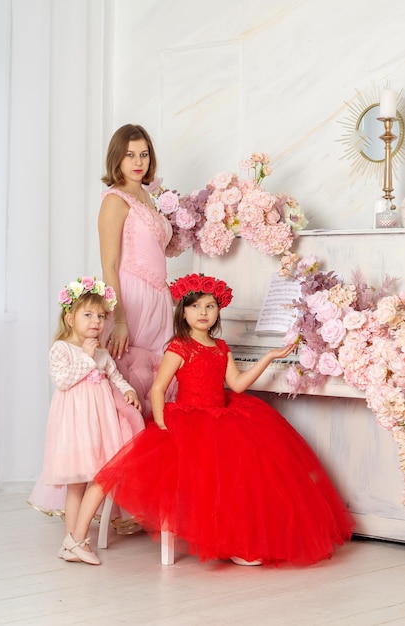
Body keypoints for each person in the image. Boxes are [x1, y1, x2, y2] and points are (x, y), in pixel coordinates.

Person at [62, 273, 355, 566]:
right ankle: (76, 538)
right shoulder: (179, 346)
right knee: (183, 474)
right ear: (183, 311)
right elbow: (159, 389)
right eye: (195, 307)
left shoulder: (221, 347)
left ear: (218, 311)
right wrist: (163, 423)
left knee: (245, 469)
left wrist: (269, 358)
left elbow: (237, 385)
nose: (203, 313)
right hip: (186, 418)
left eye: (210, 306)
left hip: (222, 415)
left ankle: (239, 542)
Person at [32, 277, 144, 565]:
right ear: (70, 318)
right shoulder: (62, 349)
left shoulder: (103, 352)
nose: (97, 321)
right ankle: (74, 540)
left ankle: (73, 541)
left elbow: (115, 376)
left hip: (100, 421)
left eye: (101, 316)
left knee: (102, 475)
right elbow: (63, 380)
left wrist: (128, 390)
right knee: (78, 483)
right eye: (88, 315)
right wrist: (86, 356)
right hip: (74, 424)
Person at [98, 123, 174, 365]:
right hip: (131, 297)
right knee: (127, 374)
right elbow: (109, 265)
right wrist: (119, 320)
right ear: (117, 158)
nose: (138, 162)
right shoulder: (114, 200)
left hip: (159, 297)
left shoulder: (149, 198)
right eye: (129, 155)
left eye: (144, 154)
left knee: (156, 377)